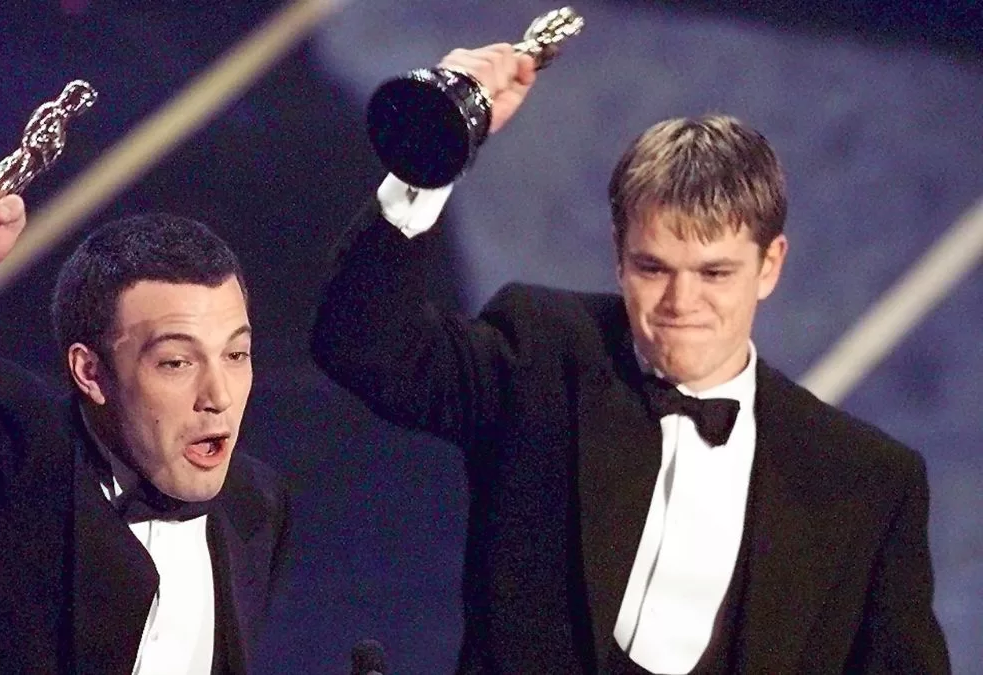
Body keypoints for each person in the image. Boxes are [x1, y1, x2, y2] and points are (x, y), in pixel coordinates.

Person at [310, 44, 949, 673]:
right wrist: (431, 149)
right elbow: (363, 345)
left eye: (715, 272)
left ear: (769, 265)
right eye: (653, 268)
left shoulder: (863, 482)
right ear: (619, 256)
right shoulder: (543, 357)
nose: (681, 302)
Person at [0, 170, 289, 674]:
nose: (219, 397)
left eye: (236, 354)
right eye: (176, 363)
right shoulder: (9, 454)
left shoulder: (256, 504)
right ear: (91, 373)